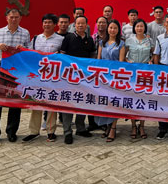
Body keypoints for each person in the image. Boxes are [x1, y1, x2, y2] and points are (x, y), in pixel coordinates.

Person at [0, 8, 30, 147]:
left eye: (16, 17)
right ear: (7, 18)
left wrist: (23, 49)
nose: (14, 19)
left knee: (14, 101)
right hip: (1, 67)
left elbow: (29, 53)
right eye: (11, 17)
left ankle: (11, 131)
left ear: (20, 18)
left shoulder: (25, 33)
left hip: (17, 70)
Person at [22, 14, 65, 143]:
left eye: (49, 22)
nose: (47, 24)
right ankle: (34, 131)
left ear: (55, 24)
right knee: (36, 103)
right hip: (38, 76)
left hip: (53, 77)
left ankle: (51, 131)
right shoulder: (36, 39)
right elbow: (29, 54)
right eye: (45, 22)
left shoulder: (61, 39)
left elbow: (64, 58)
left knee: (51, 103)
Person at [59, 15, 97, 144]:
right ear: (74, 25)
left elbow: (93, 55)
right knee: (68, 103)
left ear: (86, 25)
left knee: (83, 101)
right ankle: (67, 131)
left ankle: (80, 128)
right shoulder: (68, 38)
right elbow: (62, 56)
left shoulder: (89, 39)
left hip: (84, 77)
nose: (80, 25)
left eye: (83, 23)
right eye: (78, 23)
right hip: (69, 76)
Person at [96, 19, 126, 142]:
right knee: (105, 102)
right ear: (107, 29)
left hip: (115, 77)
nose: (112, 30)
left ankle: (113, 127)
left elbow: (121, 62)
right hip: (103, 77)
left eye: (115, 28)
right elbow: (98, 60)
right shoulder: (101, 43)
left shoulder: (121, 44)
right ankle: (107, 126)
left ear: (118, 30)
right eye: (110, 27)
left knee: (114, 102)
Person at [125, 19, 153, 139]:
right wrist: (127, 61)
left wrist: (151, 61)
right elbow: (124, 55)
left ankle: (142, 126)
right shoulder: (129, 40)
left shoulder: (150, 40)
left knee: (143, 100)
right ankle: (133, 126)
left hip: (145, 74)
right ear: (134, 28)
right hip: (132, 74)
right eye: (137, 26)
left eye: (141, 26)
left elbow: (154, 54)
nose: (139, 28)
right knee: (132, 100)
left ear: (144, 28)